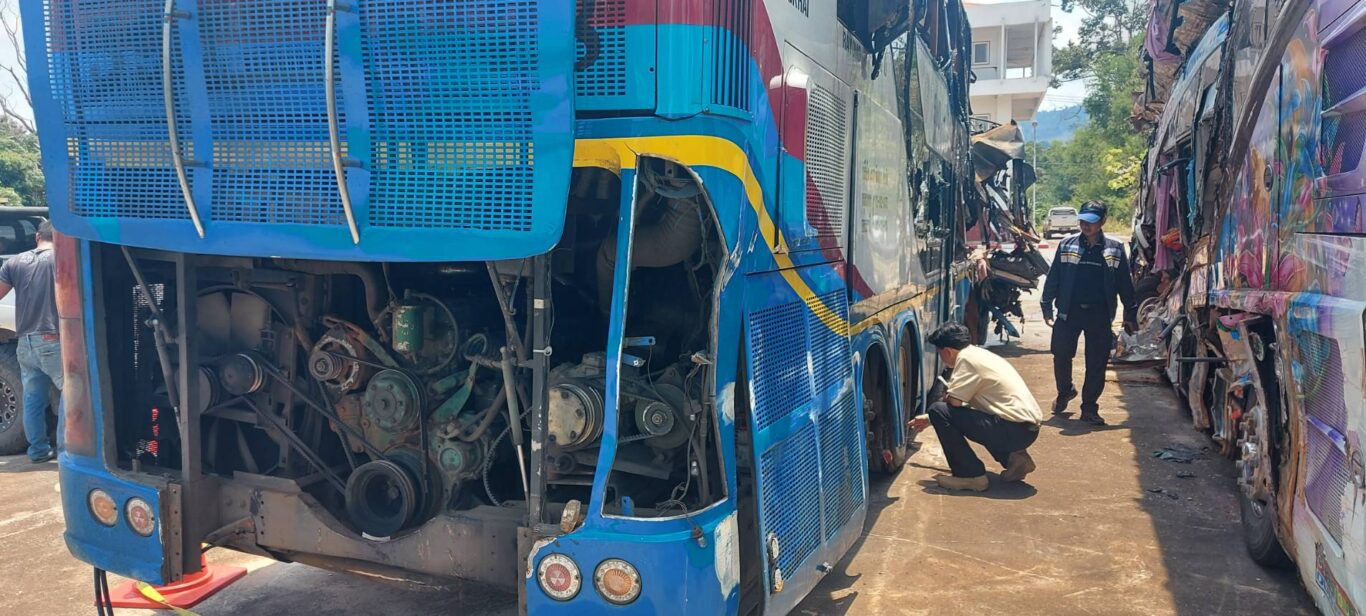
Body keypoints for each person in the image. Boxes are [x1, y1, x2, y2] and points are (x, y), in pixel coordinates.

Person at [909, 322, 1043, 492]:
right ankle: (1016, 460)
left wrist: (937, 411)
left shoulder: (966, 360)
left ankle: (970, 476)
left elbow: (954, 403)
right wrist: (930, 419)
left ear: (947, 351)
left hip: (1012, 431)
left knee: (937, 409)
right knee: (976, 414)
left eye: (939, 353)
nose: (940, 357)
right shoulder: (979, 354)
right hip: (1026, 430)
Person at [1040, 202, 1136, 425]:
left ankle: (1090, 408)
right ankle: (1065, 390)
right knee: (1061, 355)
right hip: (1068, 312)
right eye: (1082, 221)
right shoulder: (1066, 244)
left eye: (1091, 222)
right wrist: (1046, 306)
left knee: (1096, 362)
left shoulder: (1115, 248)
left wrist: (1130, 314)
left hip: (1099, 314)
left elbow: (1125, 283)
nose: (1085, 225)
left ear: (1103, 221)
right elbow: (1054, 277)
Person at [0, 220, 63, 463]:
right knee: (71, 394)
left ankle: (38, 450)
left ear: (37, 237)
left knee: (32, 399)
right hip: (52, 339)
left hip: (25, 341)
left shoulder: (14, 262)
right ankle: (69, 450)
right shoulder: (62, 261)